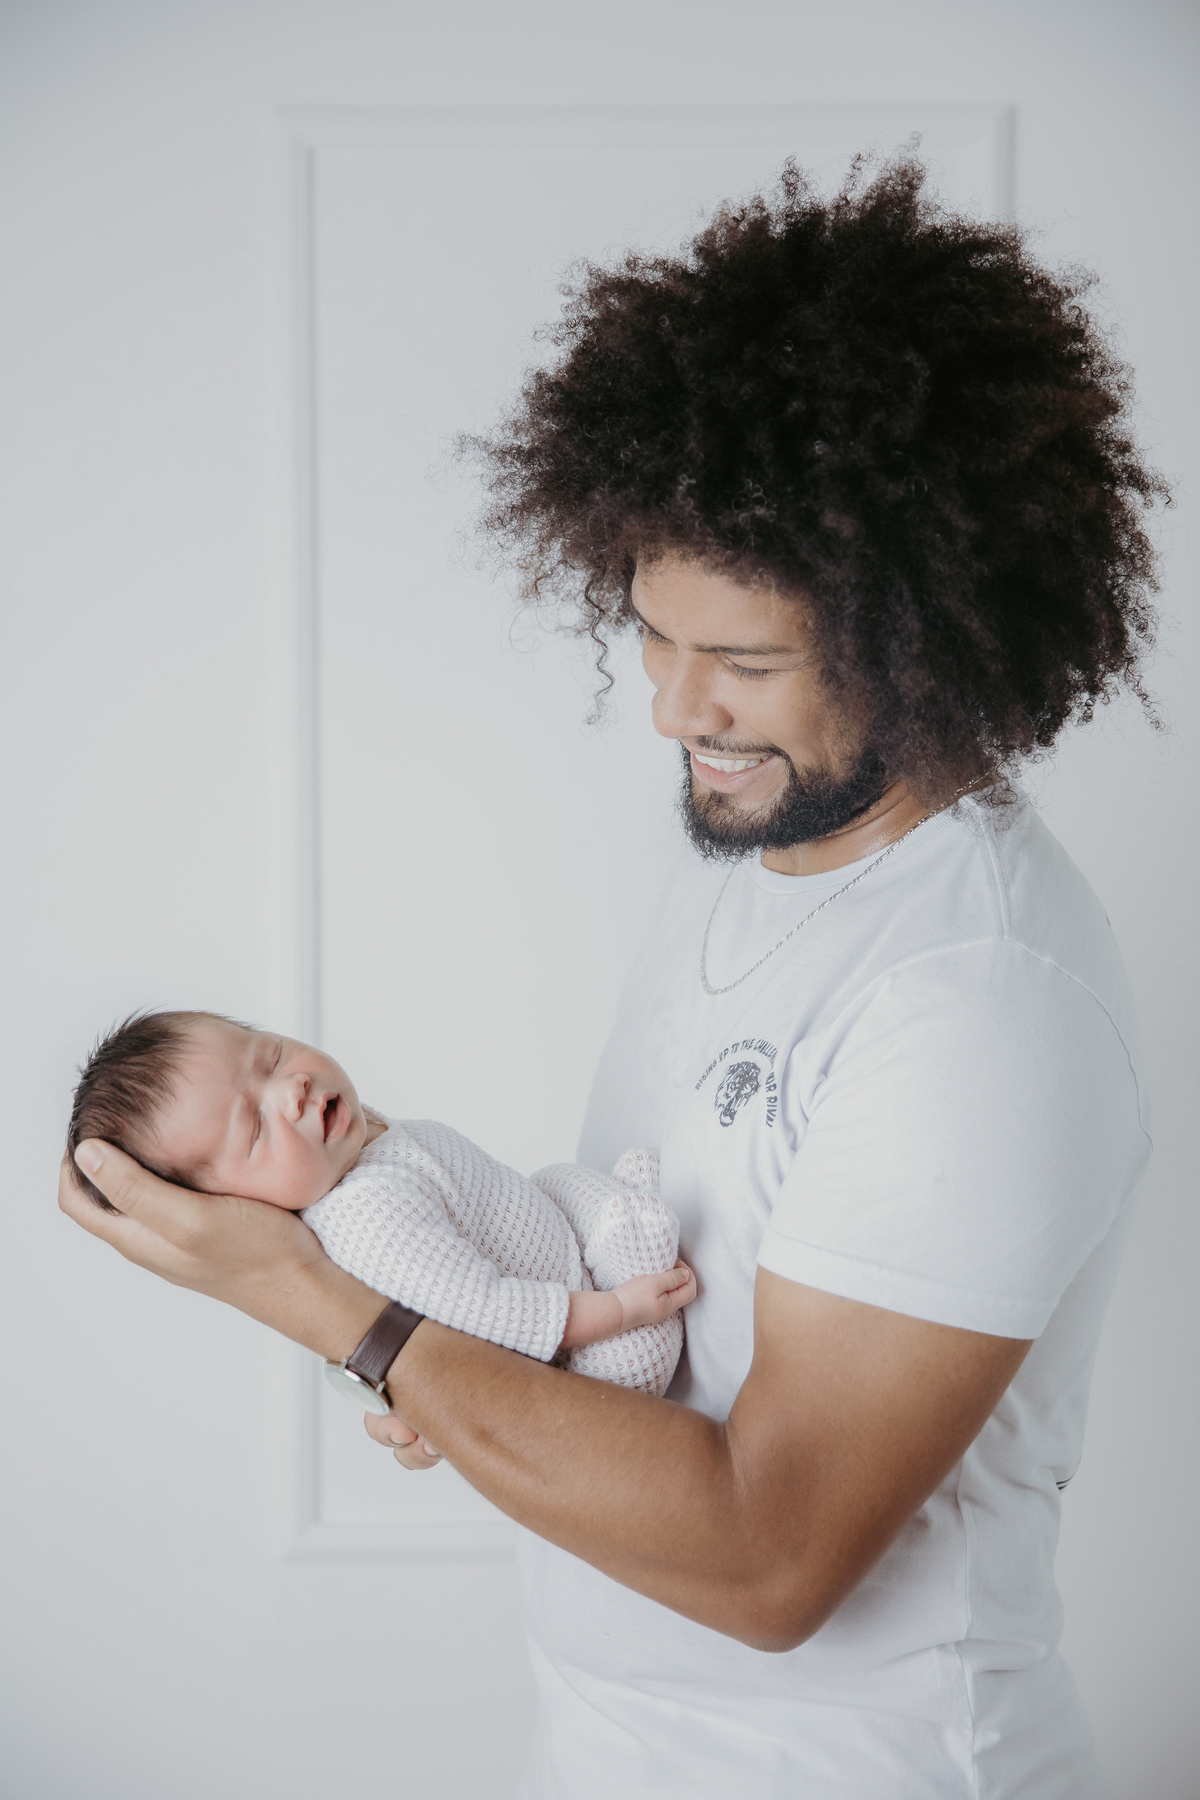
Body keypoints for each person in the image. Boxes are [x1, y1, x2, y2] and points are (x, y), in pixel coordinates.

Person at [61, 156, 1166, 1798]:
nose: (672, 710)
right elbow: (653, 1338)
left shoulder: (979, 1002)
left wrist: (331, 1309)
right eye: (652, 633)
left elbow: (772, 1558)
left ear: (926, 634)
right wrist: (465, 1362)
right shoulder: (754, 854)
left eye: (743, 661)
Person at [66, 1009, 694, 1394]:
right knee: (634, 1357)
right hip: (587, 1349)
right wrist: (616, 1310)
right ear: (238, 1210)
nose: (292, 1089)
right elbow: (492, 1312)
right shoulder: (364, 1221)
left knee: (556, 1178)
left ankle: (621, 1222)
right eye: (255, 1131)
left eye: (272, 1055)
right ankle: (635, 1251)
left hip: (554, 1241)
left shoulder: (358, 1145)